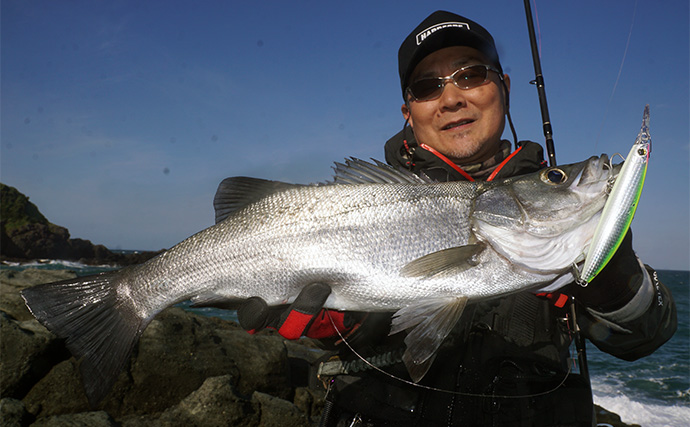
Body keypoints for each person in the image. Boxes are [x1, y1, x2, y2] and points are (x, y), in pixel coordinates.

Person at [237, 11, 677, 426]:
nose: (451, 98)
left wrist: (616, 282)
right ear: (408, 112)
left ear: (503, 86)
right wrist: (334, 330)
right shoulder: (360, 202)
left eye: (470, 75)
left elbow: (648, 336)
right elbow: (347, 327)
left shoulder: (571, 219)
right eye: (427, 87)